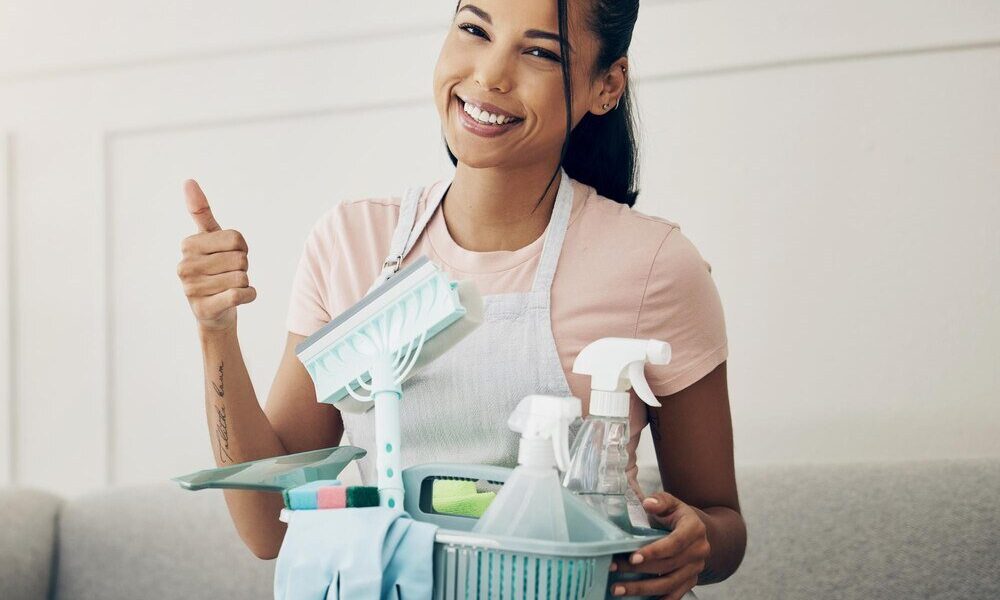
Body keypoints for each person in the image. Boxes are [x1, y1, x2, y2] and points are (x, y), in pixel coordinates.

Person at [176, 0, 746, 597]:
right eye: (475, 30)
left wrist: (697, 541)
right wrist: (216, 332)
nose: (490, 75)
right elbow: (271, 531)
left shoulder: (655, 266)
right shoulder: (351, 243)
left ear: (606, 86)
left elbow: (721, 523)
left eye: (539, 52)